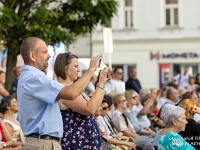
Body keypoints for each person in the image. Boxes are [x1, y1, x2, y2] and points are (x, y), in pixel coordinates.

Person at [17, 37, 103, 150]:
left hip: (44, 142)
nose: (49, 55)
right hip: (43, 143)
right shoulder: (34, 78)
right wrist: (91, 69)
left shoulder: (33, 77)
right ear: (32, 56)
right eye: (45, 52)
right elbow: (72, 94)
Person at [54, 52, 108, 149]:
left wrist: (101, 83)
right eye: (75, 66)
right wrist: (100, 83)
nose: (78, 70)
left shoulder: (73, 89)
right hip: (76, 144)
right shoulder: (63, 90)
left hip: (85, 142)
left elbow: (96, 109)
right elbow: (89, 109)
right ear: (65, 68)